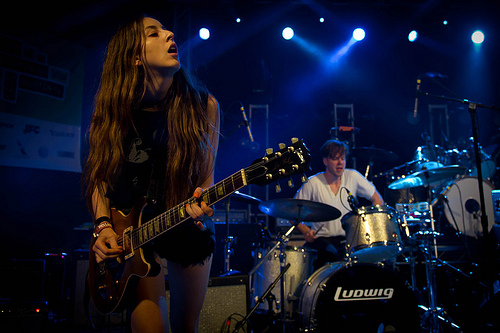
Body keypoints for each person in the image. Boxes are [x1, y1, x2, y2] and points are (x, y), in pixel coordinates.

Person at [83, 15, 220, 333]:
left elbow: (205, 180)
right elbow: (99, 179)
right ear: (133, 56)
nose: (170, 33)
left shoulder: (204, 107)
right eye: (153, 33)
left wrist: (201, 203)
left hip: (182, 221)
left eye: (166, 30)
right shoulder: (110, 114)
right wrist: (103, 225)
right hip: (130, 232)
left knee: (186, 327)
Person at [295, 139, 384, 270]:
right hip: (322, 242)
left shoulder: (353, 176)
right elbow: (292, 212)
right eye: (335, 159)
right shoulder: (313, 183)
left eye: (342, 158)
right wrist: (306, 231)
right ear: (325, 161)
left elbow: (378, 200)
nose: (340, 162)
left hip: (349, 241)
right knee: (328, 254)